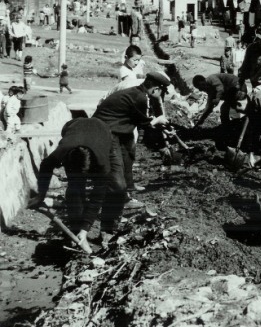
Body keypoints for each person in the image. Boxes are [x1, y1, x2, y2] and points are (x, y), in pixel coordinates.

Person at [28, 118, 125, 250]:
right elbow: (46, 167)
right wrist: (41, 195)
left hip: (104, 131)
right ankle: (75, 230)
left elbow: (97, 197)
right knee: (75, 186)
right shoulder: (63, 150)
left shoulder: (102, 162)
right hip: (72, 128)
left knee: (118, 186)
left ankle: (107, 230)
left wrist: (85, 229)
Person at [93, 72, 172, 210]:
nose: (161, 95)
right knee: (116, 169)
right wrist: (159, 120)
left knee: (128, 153)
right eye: (162, 92)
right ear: (156, 89)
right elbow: (146, 123)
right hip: (107, 132)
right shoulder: (140, 97)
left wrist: (161, 127)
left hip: (118, 127)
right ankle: (120, 200)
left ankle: (128, 186)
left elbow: (142, 120)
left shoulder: (137, 92)